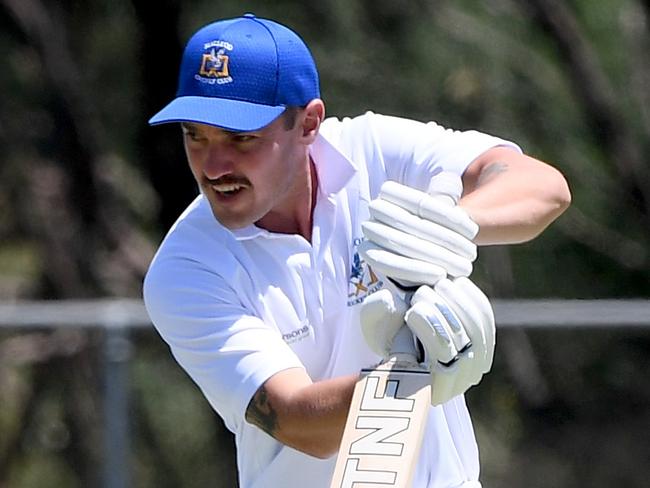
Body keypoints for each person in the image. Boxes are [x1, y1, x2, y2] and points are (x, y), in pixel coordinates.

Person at [143, 13, 571, 488]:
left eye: (242, 138)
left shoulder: (372, 152)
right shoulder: (186, 269)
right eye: (194, 135)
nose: (214, 165)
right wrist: (423, 376)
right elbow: (297, 420)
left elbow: (543, 188)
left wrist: (442, 230)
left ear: (308, 124)